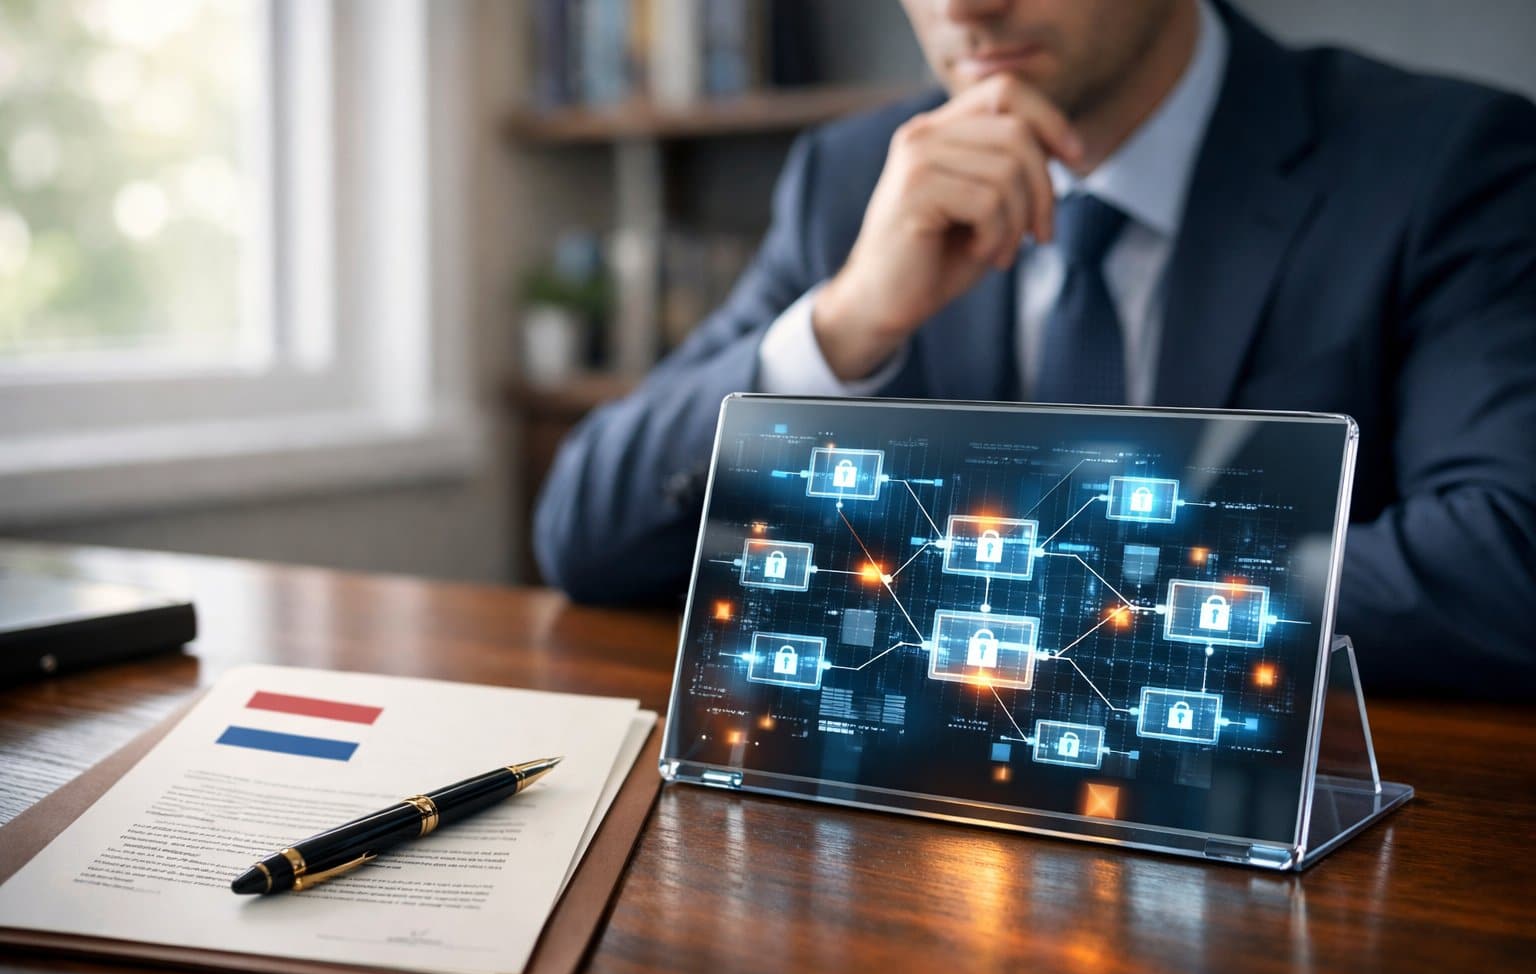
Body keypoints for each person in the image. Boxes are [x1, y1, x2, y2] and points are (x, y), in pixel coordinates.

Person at [534, 0, 1536, 695]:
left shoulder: (1446, 162)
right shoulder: (851, 179)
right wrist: (840, 328)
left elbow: (1505, 564)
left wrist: (1027, 594)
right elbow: (587, 533)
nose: (965, 9)